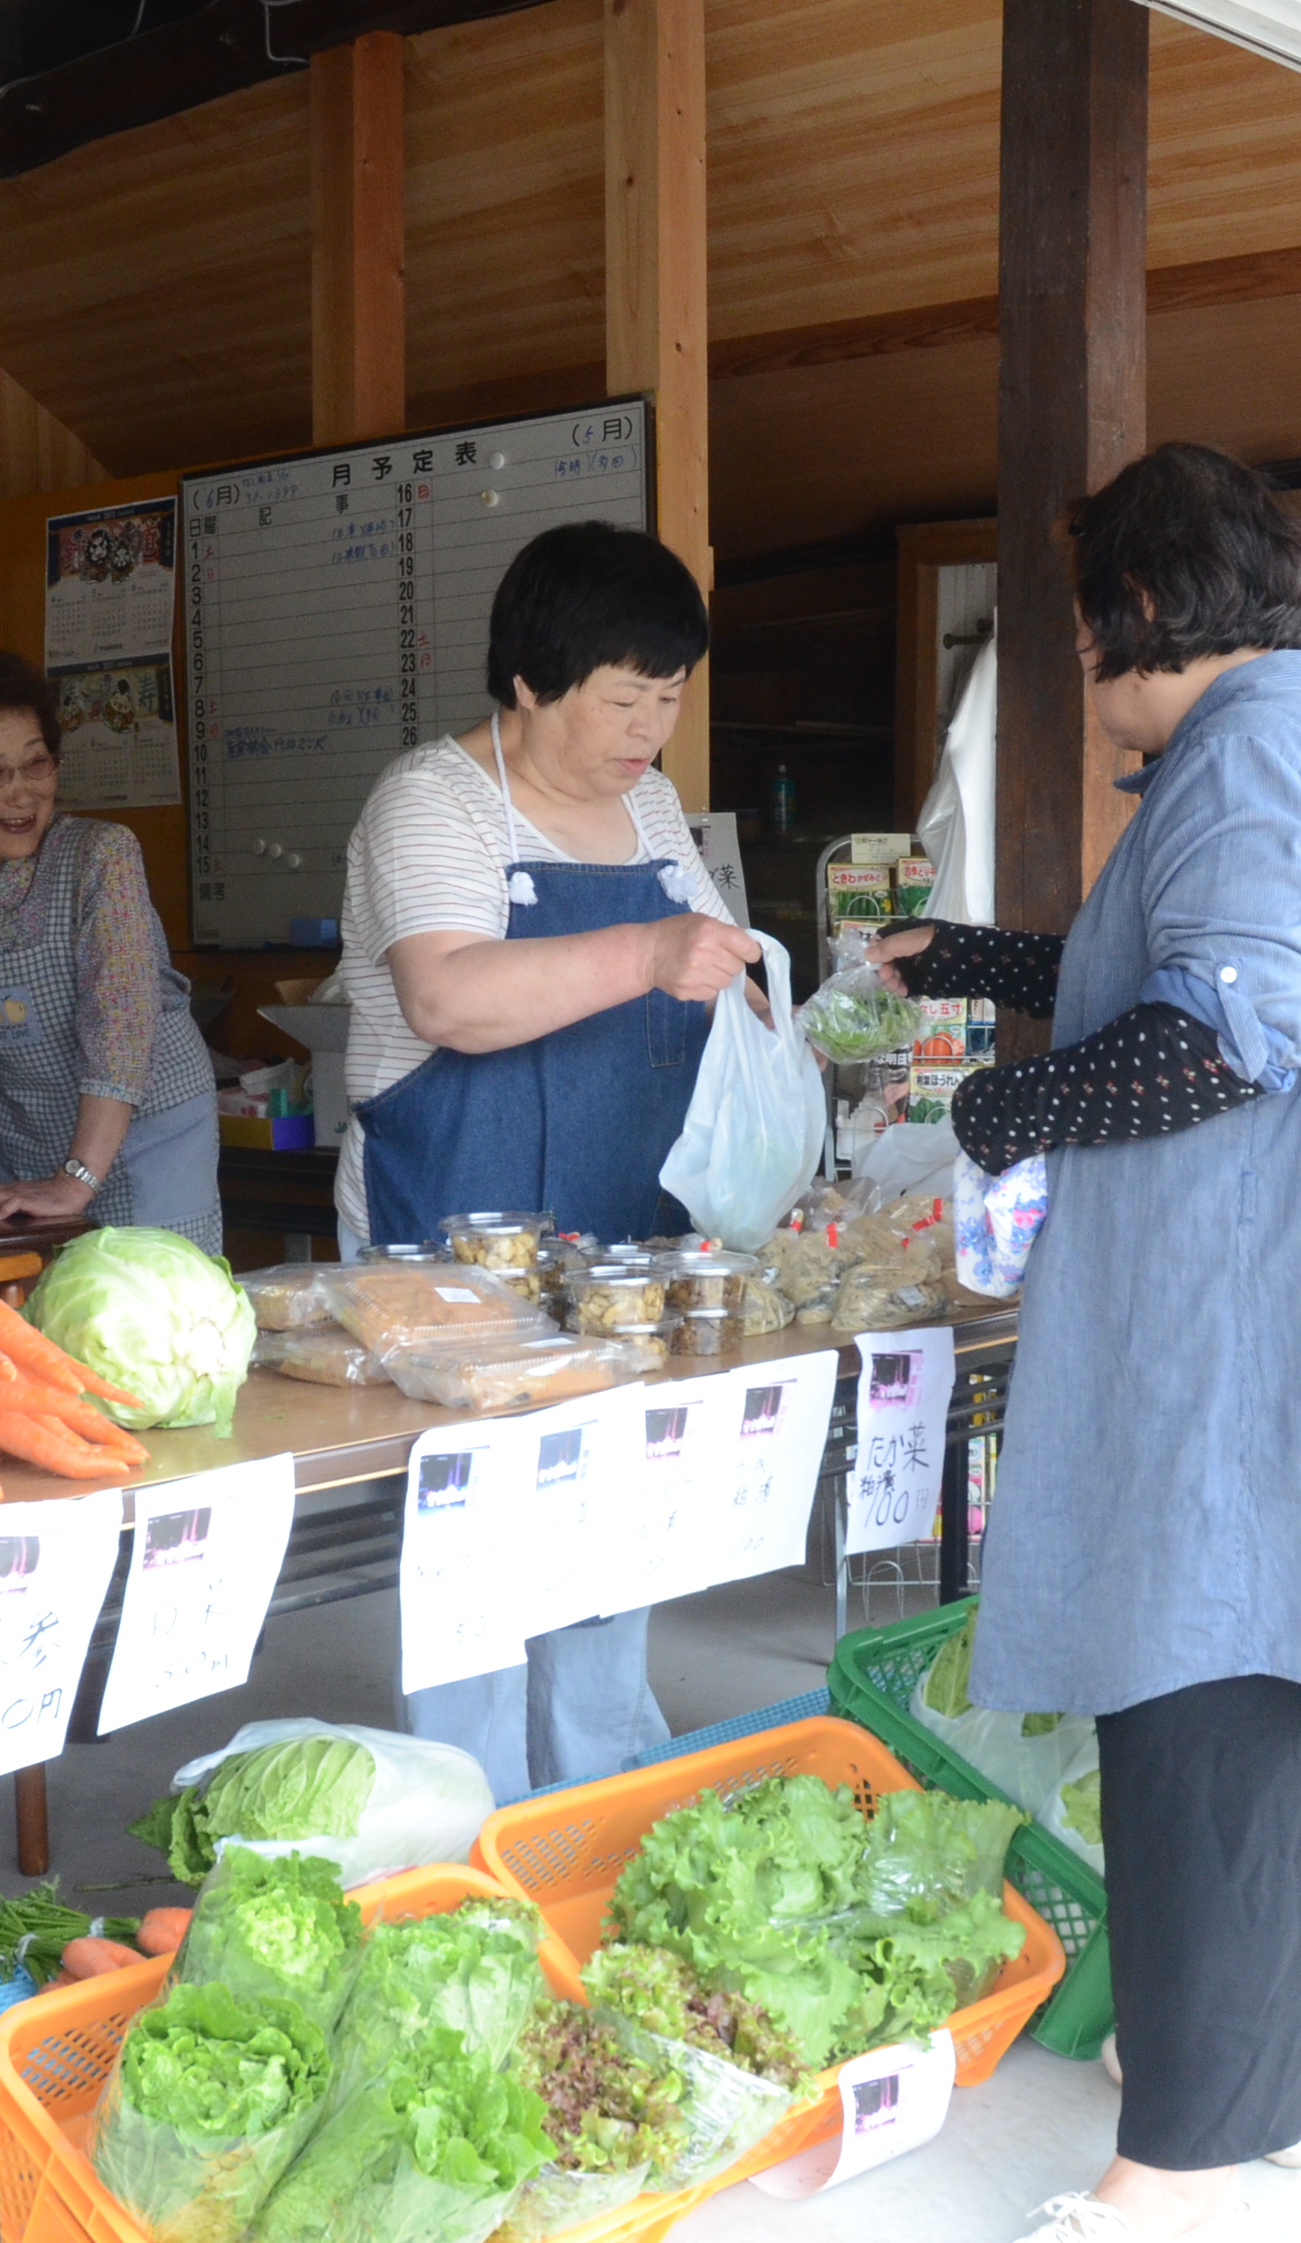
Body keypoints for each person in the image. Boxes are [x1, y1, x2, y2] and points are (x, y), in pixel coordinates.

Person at [871, 443, 1301, 2243]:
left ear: (1141, 615)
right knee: (1289, 1726)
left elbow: (1232, 1024)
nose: (1084, 665)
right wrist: (977, 962)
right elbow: (1178, 960)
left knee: (1205, 1727)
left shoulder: (1251, 761)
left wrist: (1008, 1096)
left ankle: (1170, 2184)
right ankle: (1250, 2093)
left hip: (1248, 1340)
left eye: (1083, 629)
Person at [333, 520, 758, 1797]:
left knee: (610, 1533)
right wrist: (644, 954)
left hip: (618, 1229)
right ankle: (460, 1828)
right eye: (623, 698)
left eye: (670, 698)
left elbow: (711, 956)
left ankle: (599, 1803)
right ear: (527, 683)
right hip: (451, 1225)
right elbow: (449, 999)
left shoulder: (646, 804)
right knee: (471, 1550)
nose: (649, 730)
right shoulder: (433, 801)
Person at [0, 647, 221, 1244]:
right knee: (37, 1308)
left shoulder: (100, 857)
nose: (23, 795)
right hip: (24, 1132)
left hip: (147, 1132)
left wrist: (76, 1178)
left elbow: (120, 1024)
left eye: (37, 765)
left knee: (152, 1302)